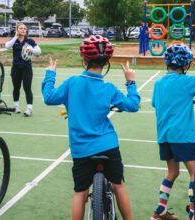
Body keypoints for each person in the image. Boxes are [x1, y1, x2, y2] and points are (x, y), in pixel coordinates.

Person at [42, 35, 140, 220]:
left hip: (81, 149)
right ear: (107, 61)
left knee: (80, 193)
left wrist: (50, 74)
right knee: (118, 185)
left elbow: (49, 97)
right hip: (107, 145)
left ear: (85, 59)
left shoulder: (72, 83)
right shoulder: (109, 88)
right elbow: (133, 105)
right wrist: (131, 82)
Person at [151, 44, 195, 220]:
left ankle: (160, 211)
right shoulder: (187, 82)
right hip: (182, 136)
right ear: (186, 65)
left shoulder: (158, 83)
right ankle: (194, 213)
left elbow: (155, 103)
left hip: (164, 136)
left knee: (172, 172)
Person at [5, 22, 41, 116]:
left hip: (26, 68)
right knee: (16, 88)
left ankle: (29, 108)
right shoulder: (14, 41)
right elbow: (7, 46)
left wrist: (32, 50)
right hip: (16, 68)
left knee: (27, 88)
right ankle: (16, 106)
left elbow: (39, 51)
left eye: (25, 28)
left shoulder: (30, 41)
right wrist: (15, 37)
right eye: (21, 28)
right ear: (17, 30)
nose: (24, 30)